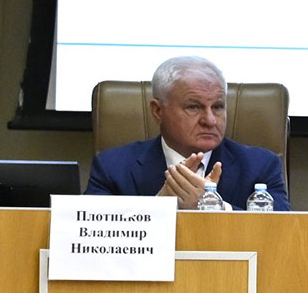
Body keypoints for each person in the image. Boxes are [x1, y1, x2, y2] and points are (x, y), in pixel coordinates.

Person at [86, 55, 290, 210]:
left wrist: (215, 207)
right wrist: (158, 209)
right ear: (158, 111)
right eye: (193, 107)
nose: (210, 120)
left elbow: (283, 236)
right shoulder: (112, 168)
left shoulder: (260, 166)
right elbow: (90, 237)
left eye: (218, 107)